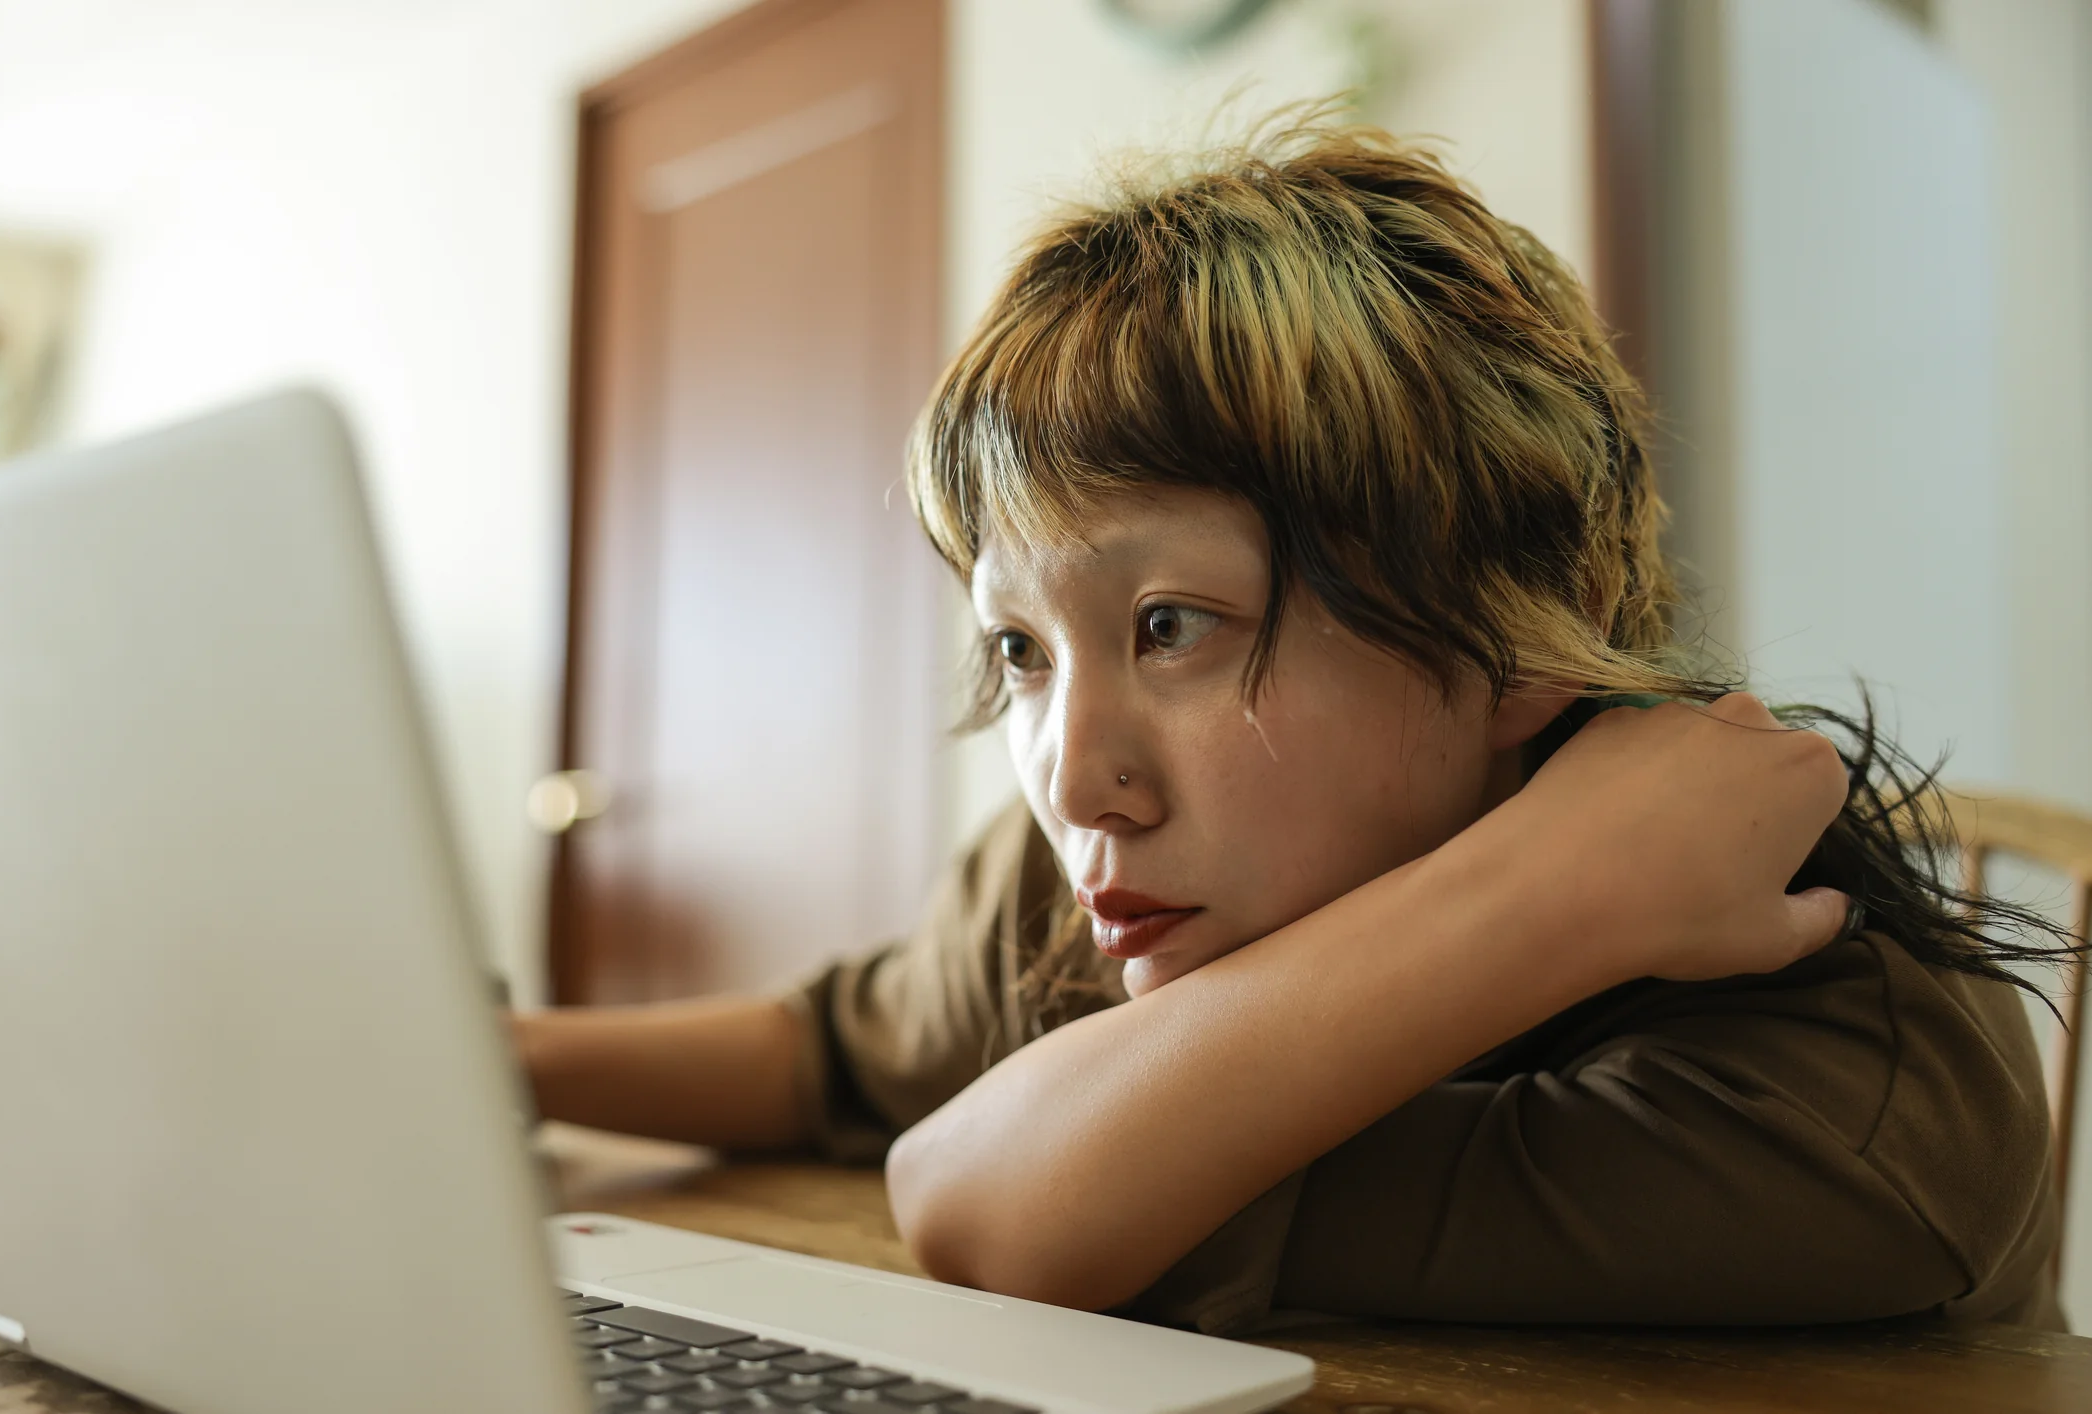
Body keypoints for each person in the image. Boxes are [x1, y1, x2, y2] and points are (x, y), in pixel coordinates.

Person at [516, 118, 2072, 1333]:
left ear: (1519, 634)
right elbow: (835, 1054)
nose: (1076, 778)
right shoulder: (1100, 883)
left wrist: (1559, 893)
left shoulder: (1847, 1083)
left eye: (1172, 626)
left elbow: (988, 1198)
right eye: (1019, 647)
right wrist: (472, 1055)